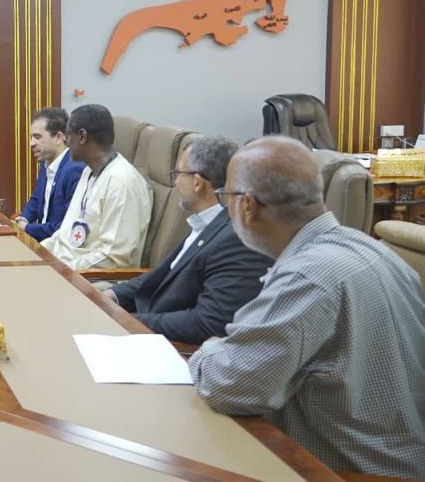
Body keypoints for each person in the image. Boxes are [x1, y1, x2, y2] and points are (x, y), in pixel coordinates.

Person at [189, 136, 425, 478]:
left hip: (349, 473)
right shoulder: (376, 250)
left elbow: (226, 385)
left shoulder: (306, 278)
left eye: (227, 197)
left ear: (247, 206)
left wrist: (210, 350)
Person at [104, 135, 272, 344]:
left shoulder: (235, 239)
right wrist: (111, 296)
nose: (174, 183)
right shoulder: (207, 223)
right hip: (145, 327)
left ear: (197, 182)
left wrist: (126, 321)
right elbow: (162, 275)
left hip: (164, 345)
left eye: (177, 174)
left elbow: (207, 323)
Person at [42, 104, 152, 270]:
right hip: (65, 268)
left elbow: (114, 258)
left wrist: (64, 270)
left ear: (82, 136)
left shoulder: (122, 183)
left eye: (68, 135)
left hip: (93, 279)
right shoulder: (89, 172)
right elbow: (65, 233)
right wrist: (36, 253)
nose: (66, 142)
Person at [15, 107, 85, 241]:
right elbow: (36, 199)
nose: (31, 143)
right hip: (42, 241)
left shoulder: (74, 170)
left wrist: (27, 228)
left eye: (37, 137)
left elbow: (65, 227)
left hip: (58, 246)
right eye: (32, 137)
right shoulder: (46, 162)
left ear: (58, 137)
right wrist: (24, 218)